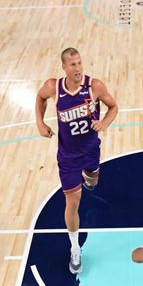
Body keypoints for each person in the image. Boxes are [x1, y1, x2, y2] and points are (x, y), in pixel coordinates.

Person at [35, 47, 118, 274]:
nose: (78, 69)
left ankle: (88, 178)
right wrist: (40, 123)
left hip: (91, 150)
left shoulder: (95, 86)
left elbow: (113, 107)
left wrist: (104, 123)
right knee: (73, 201)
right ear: (64, 67)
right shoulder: (54, 87)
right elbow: (40, 97)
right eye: (73, 65)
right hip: (68, 156)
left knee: (92, 182)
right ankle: (75, 248)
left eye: (80, 63)